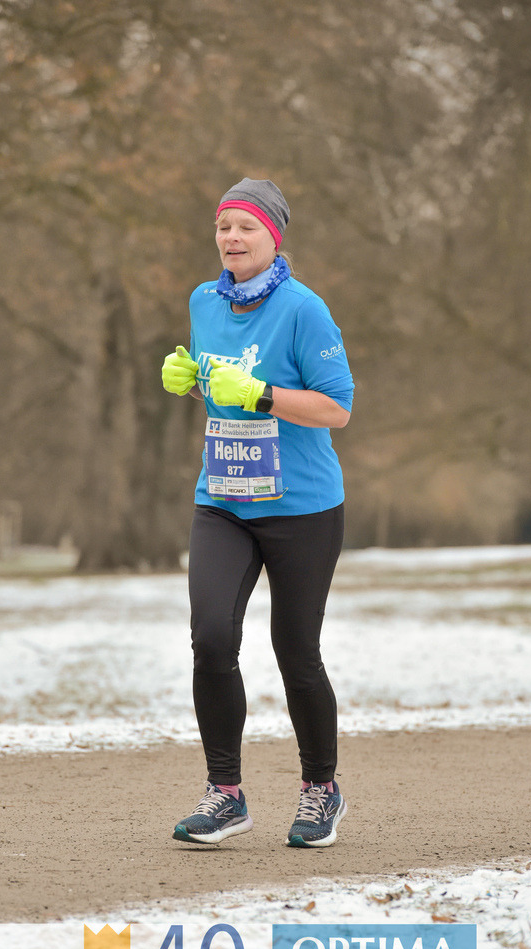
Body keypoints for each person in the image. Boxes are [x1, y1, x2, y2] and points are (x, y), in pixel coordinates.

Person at [161, 178, 355, 848]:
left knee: (295, 651)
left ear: (273, 237)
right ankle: (226, 795)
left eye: (246, 227)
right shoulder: (203, 301)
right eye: (223, 227)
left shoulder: (304, 310)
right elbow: (223, 390)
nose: (232, 238)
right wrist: (191, 382)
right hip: (223, 501)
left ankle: (320, 790)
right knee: (212, 638)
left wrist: (263, 394)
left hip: (302, 507)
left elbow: (337, 408)